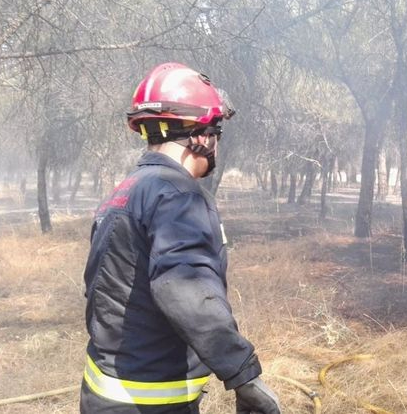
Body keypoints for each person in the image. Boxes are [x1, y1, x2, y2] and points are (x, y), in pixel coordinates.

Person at [80, 62, 281, 414]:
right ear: (202, 137)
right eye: (216, 131)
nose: (216, 144)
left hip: (103, 394)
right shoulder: (179, 195)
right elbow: (186, 289)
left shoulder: (124, 192)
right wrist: (244, 375)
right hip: (150, 402)